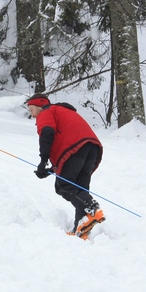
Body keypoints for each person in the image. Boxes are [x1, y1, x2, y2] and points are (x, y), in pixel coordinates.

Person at [27, 93, 105, 238]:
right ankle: (81, 227)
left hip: (74, 148)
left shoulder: (46, 112)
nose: (32, 115)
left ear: (39, 105)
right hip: (92, 148)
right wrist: (51, 169)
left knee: (64, 186)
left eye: (31, 110)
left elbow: (47, 132)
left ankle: (92, 210)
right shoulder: (63, 111)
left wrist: (43, 161)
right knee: (79, 188)